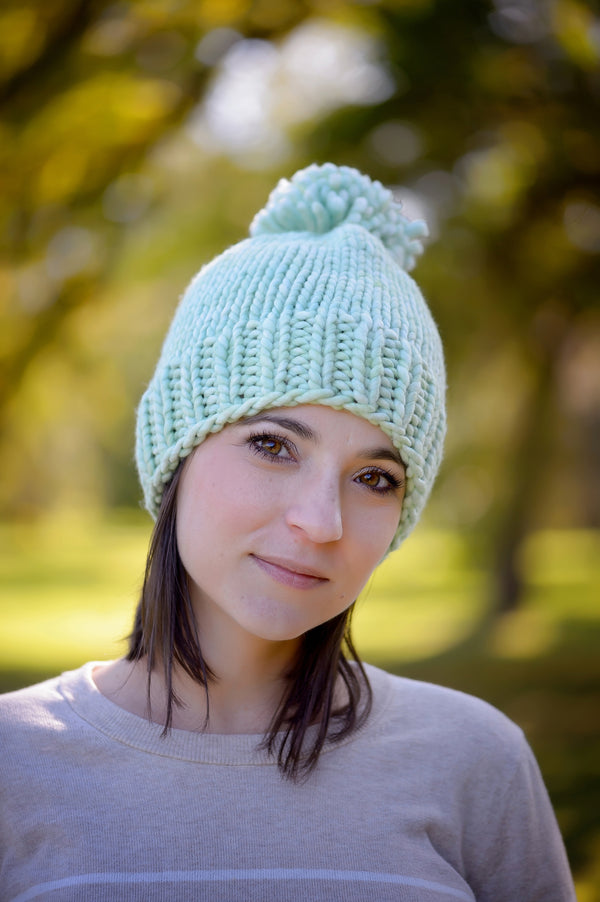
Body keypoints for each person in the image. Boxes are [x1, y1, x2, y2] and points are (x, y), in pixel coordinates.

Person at [0, 163, 576, 902]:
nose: (322, 522)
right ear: (175, 450)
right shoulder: (17, 765)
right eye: (274, 445)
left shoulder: (476, 762)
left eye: (375, 478)